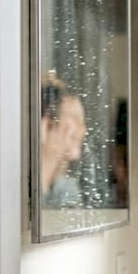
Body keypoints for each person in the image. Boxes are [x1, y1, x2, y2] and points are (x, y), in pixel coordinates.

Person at [39, 70, 87, 208]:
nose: (84, 130)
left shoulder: (67, 187)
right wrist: (48, 159)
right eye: (75, 119)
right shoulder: (16, 182)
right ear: (46, 125)